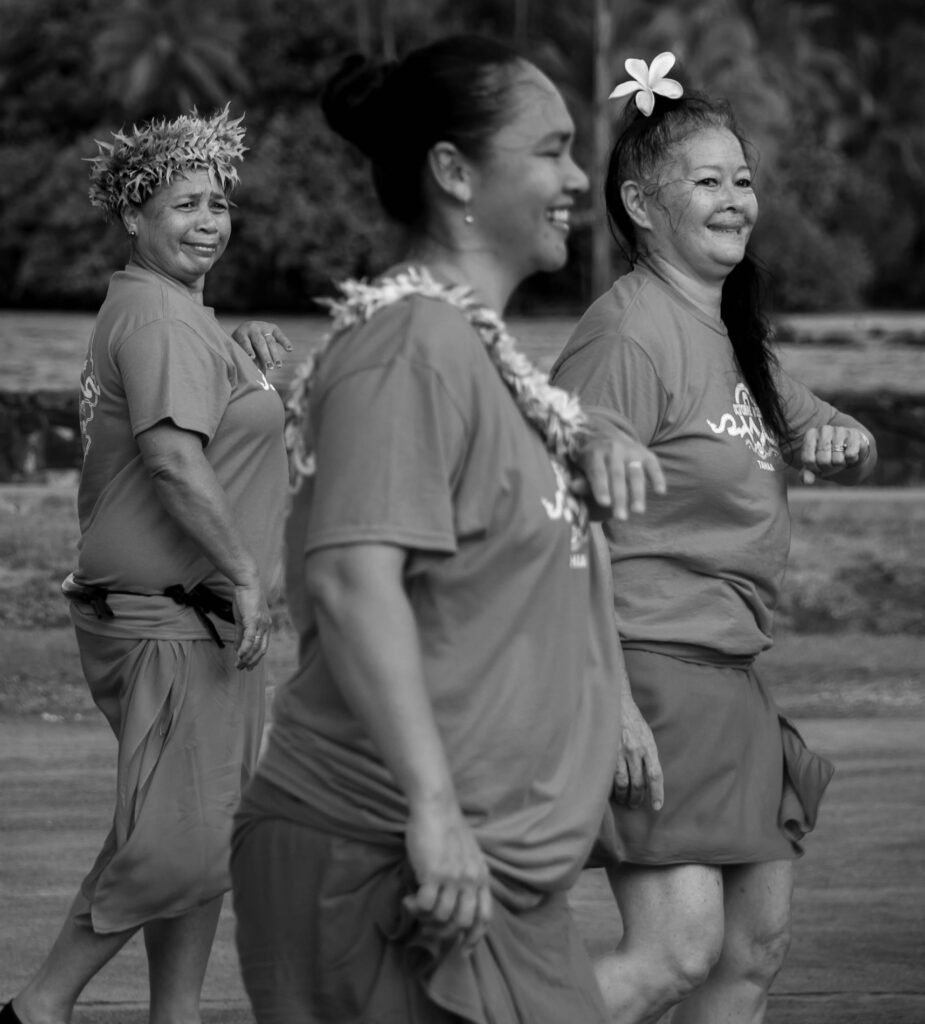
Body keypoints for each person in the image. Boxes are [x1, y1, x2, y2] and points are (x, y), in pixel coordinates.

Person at [229, 36, 627, 1024]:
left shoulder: (477, 352)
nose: (578, 177)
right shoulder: (407, 344)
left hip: (487, 874)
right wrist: (434, 810)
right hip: (390, 856)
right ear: (453, 171)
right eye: (550, 149)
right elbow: (354, 581)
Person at [550, 53, 878, 1024]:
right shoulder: (624, 337)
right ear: (642, 205)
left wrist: (840, 439)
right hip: (647, 670)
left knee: (751, 953)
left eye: (742, 179)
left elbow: (828, 432)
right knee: (672, 952)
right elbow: (557, 526)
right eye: (708, 180)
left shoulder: (732, 338)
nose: (736, 199)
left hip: (733, 679)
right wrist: (605, 700)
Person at [2, 107, 288, 1024]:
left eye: (218, 203)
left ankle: (177, 1014)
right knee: (180, 840)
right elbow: (171, 459)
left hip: (185, 616)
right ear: (134, 216)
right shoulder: (163, 319)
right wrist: (245, 573)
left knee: (185, 823)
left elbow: (201, 415)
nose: (208, 220)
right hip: (174, 615)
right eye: (183, 205)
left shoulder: (171, 312)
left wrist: (243, 363)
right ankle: (39, 1007)